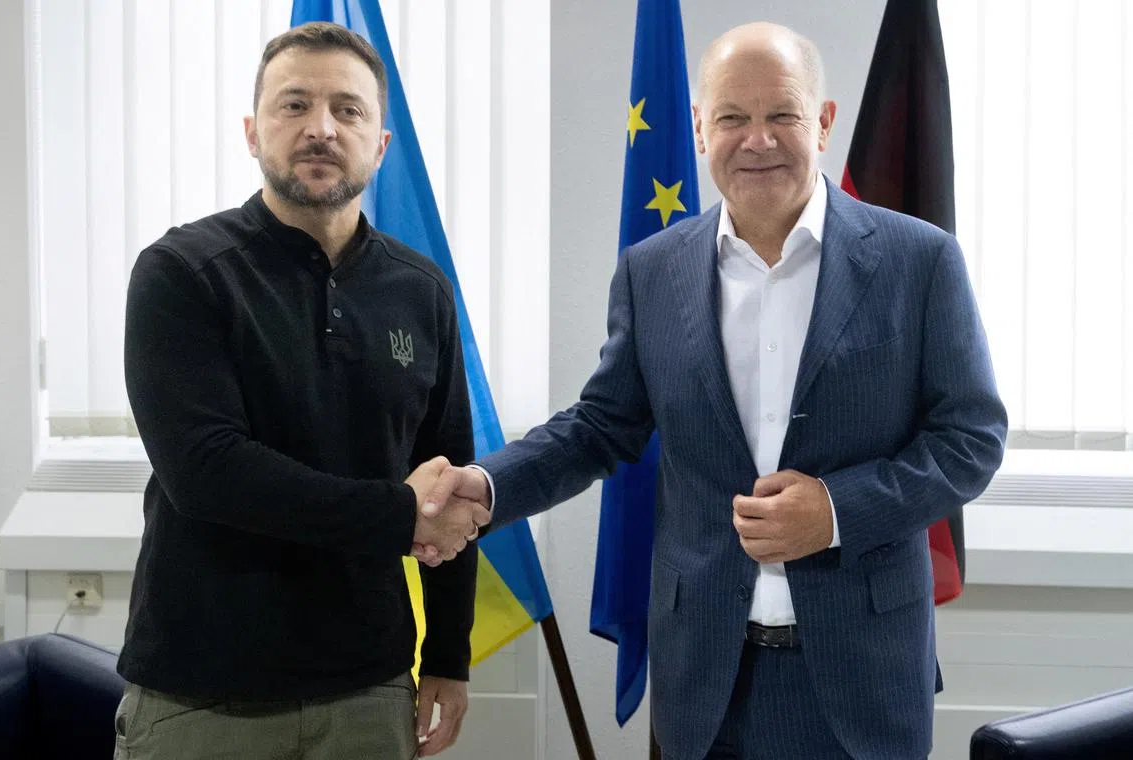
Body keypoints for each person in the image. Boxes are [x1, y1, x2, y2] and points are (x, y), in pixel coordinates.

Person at [424, 21, 1007, 760]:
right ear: (700, 129)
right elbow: (600, 426)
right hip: (705, 677)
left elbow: (971, 442)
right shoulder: (652, 272)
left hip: (864, 676)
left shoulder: (918, 261)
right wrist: (483, 486)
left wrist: (833, 512)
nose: (756, 139)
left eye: (781, 115)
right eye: (732, 117)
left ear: (822, 123)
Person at [115, 22, 487, 760]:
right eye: (294, 106)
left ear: (380, 145)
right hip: (202, 695)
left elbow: (454, 480)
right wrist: (399, 511)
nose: (320, 128)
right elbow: (210, 473)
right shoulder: (181, 275)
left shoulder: (422, 291)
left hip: (370, 690)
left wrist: (447, 653)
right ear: (253, 133)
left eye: (348, 110)